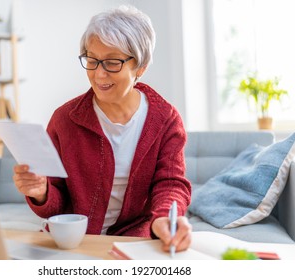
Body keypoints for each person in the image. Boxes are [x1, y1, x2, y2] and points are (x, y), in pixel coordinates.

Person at [13, 5, 192, 253]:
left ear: (141, 67)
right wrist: (41, 192)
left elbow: (171, 184)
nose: (99, 74)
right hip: (72, 240)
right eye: (92, 60)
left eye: (112, 63)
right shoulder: (65, 119)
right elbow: (56, 202)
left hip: (132, 240)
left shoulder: (166, 119)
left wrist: (164, 217)